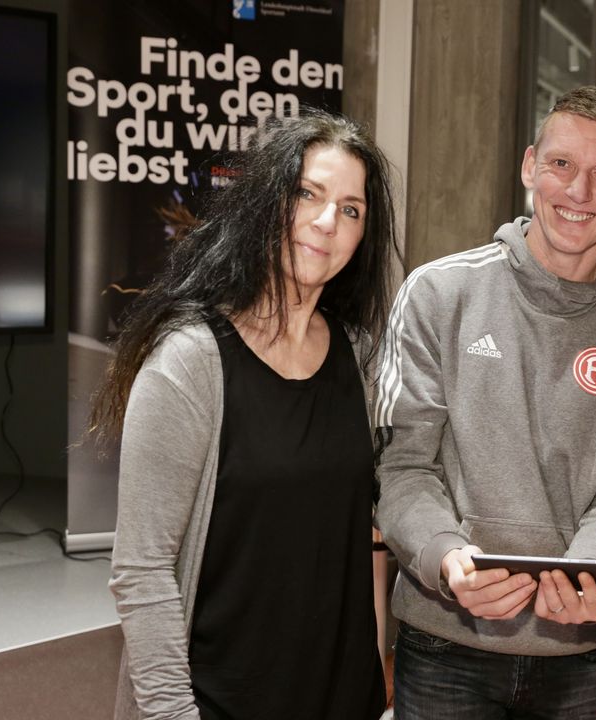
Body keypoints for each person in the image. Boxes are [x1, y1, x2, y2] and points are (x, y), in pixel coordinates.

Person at [373, 85, 596, 719]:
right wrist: (444, 556)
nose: (578, 191)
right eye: (561, 164)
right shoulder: (438, 294)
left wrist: (592, 575)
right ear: (529, 168)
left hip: (579, 654)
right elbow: (401, 466)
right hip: (443, 641)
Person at [92, 109, 400, 720]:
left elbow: (366, 530)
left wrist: (377, 661)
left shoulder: (359, 357)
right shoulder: (189, 361)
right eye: (307, 194)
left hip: (339, 696)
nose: (324, 222)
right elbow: (142, 568)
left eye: (350, 209)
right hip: (217, 701)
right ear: (267, 201)